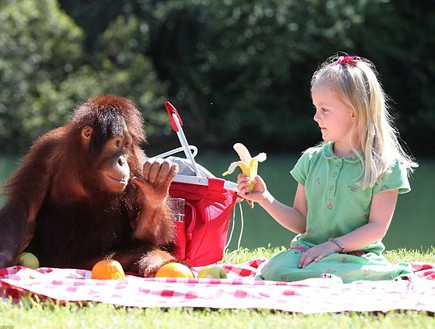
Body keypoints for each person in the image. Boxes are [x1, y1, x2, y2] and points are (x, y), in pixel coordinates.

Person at [237, 54, 418, 283]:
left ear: (354, 111)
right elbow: (301, 221)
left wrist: (333, 246)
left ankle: (348, 278)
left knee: (355, 272)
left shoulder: (383, 166)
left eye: (324, 109)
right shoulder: (311, 160)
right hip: (309, 254)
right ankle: (326, 280)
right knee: (275, 268)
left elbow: (377, 227)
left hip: (356, 257)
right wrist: (265, 198)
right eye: (315, 108)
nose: (315, 117)